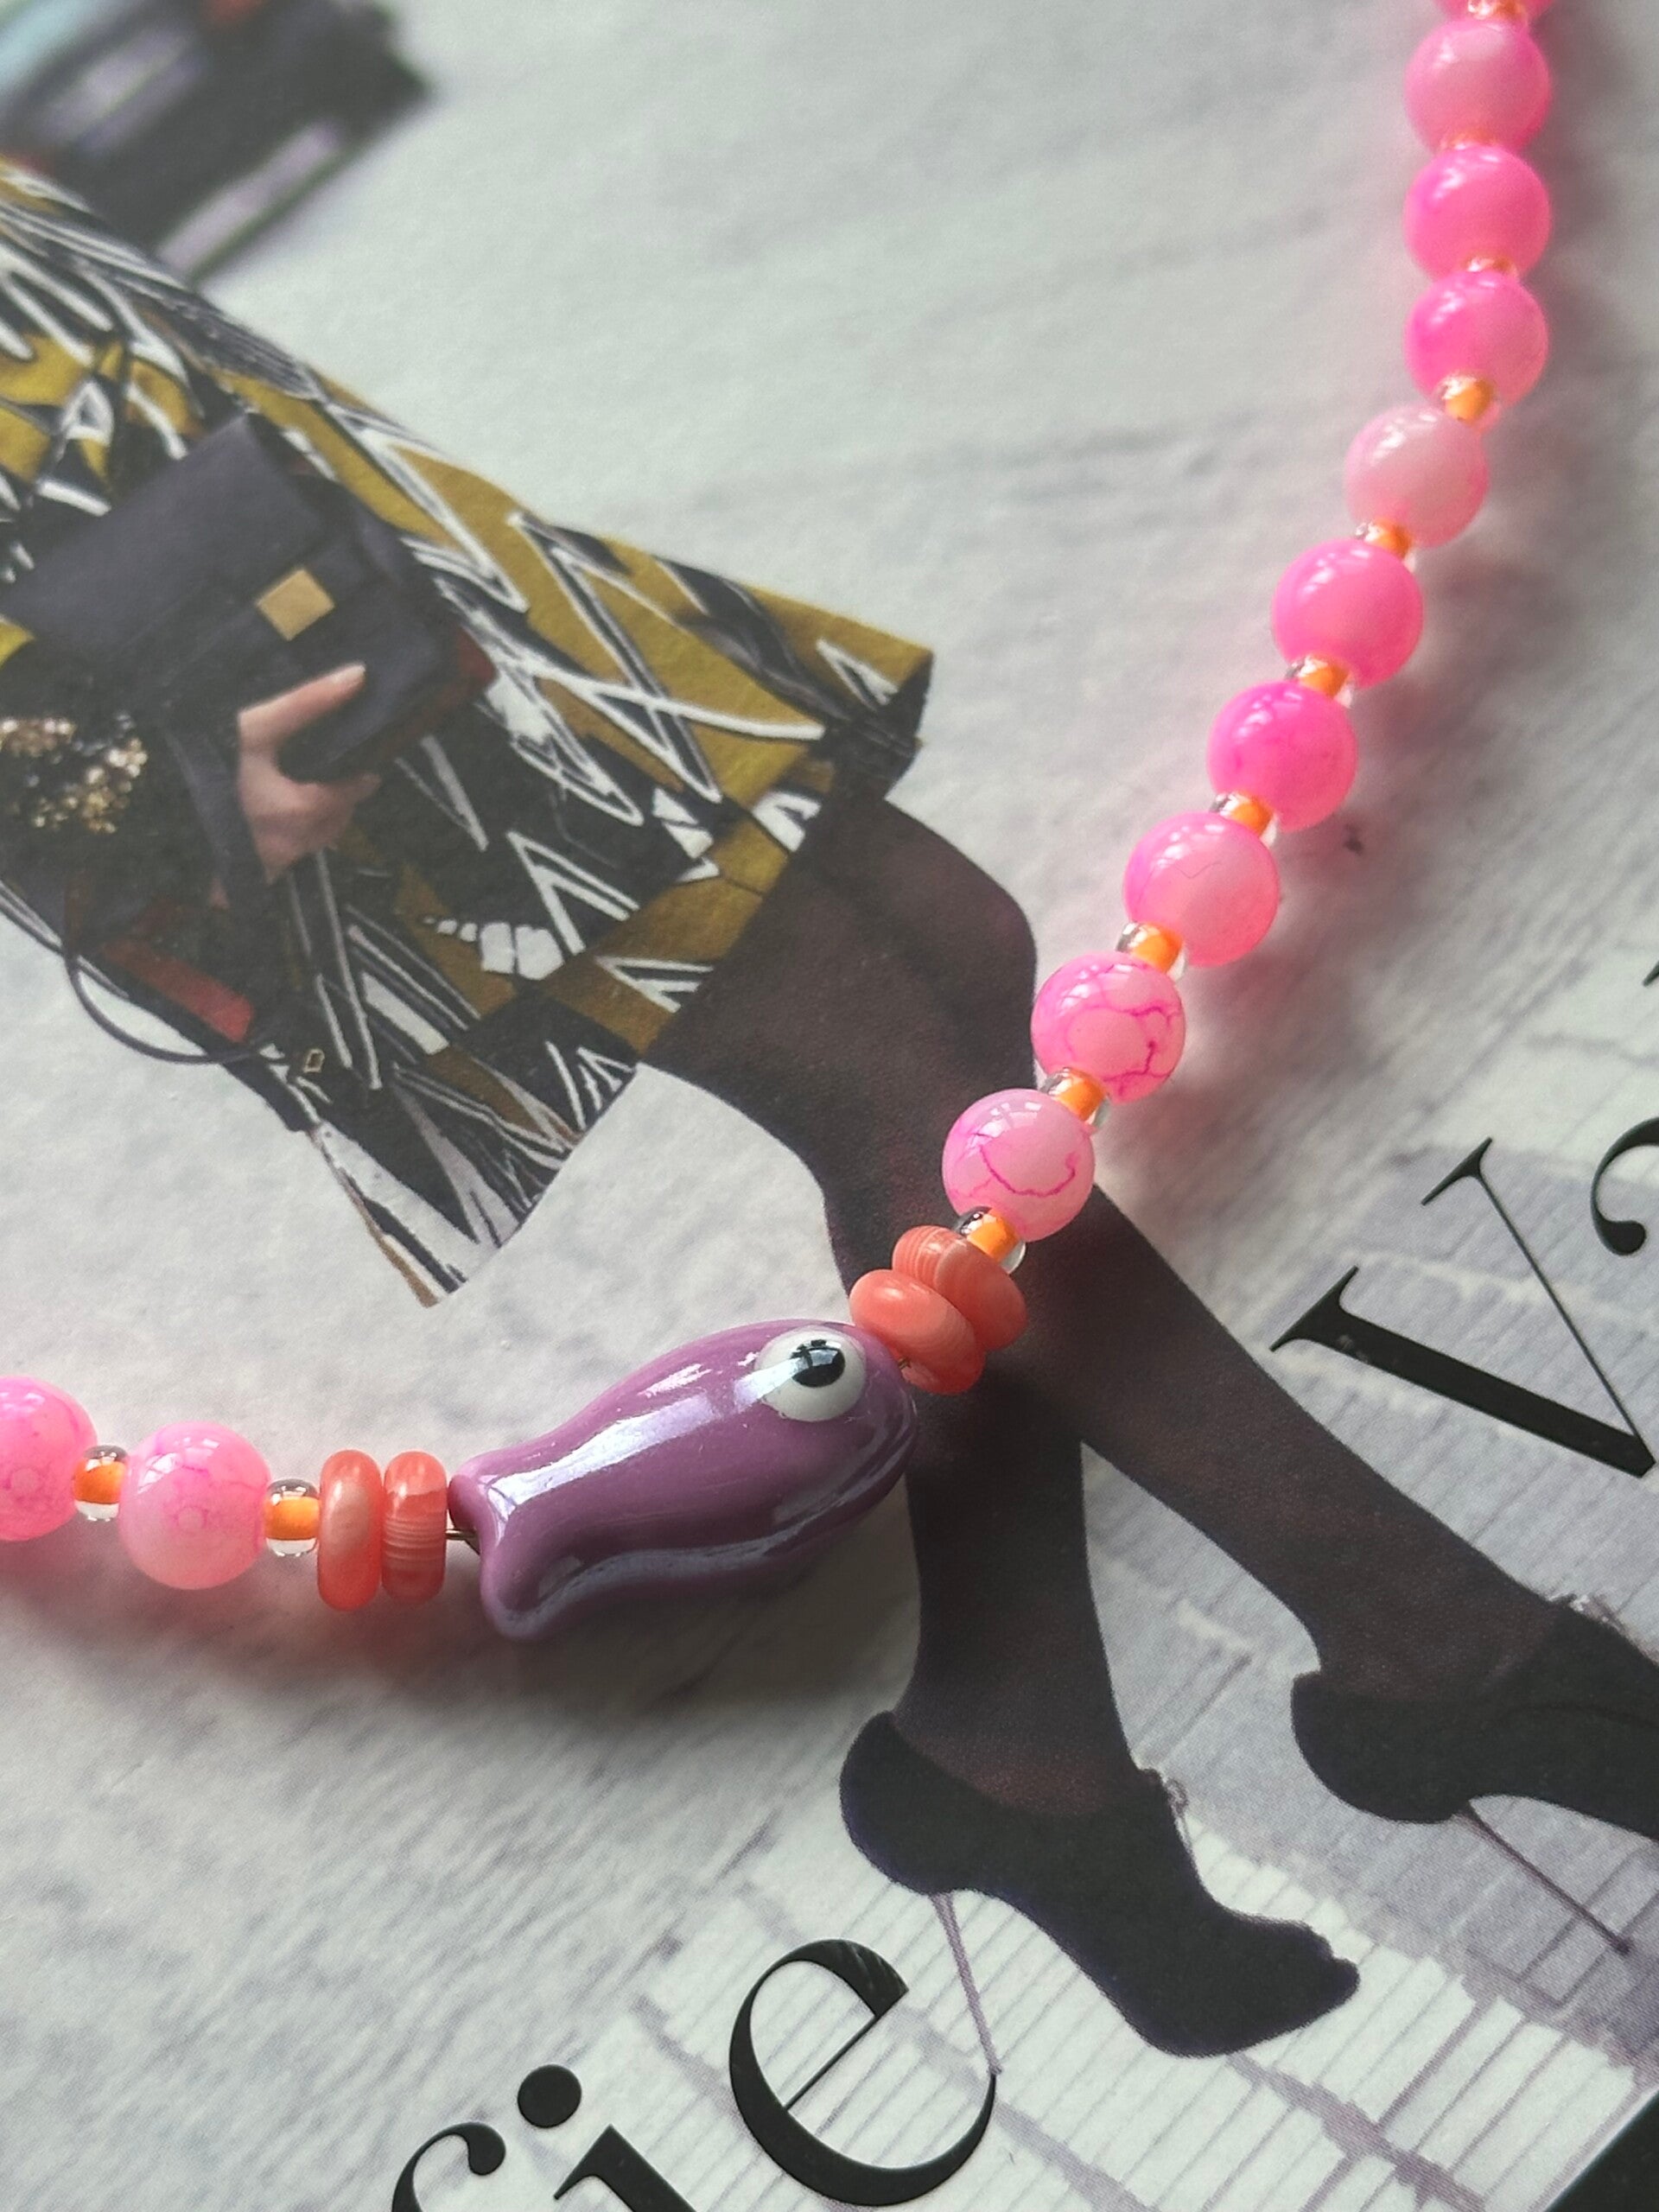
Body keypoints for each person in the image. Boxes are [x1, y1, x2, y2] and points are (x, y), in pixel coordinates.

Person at [1, 163, 1654, 2063]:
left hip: (324, 538)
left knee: (951, 950)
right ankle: (1434, 1639)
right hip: (195, 690)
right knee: (890, 1070)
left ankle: (1021, 1746)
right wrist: (100, 788)